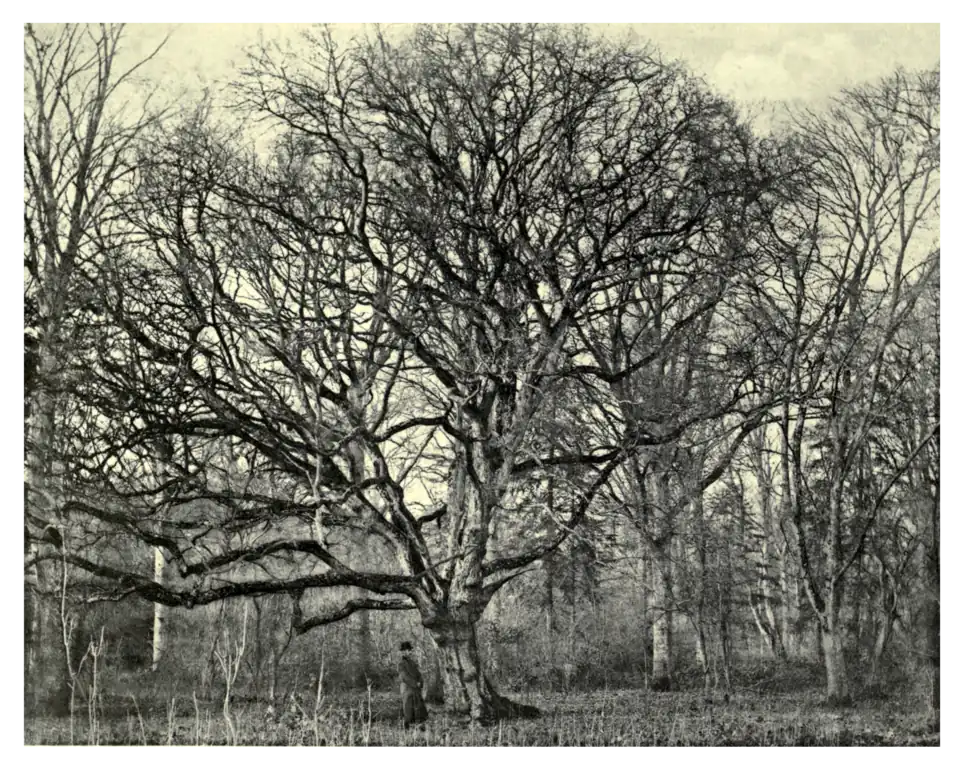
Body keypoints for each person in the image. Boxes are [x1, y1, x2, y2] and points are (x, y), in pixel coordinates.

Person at [398, 640, 429, 728]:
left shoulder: (412, 662)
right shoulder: (401, 664)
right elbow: (404, 676)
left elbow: (418, 674)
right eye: (406, 650)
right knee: (408, 708)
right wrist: (415, 683)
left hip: (416, 688)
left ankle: (419, 727)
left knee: (418, 707)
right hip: (407, 688)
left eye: (409, 650)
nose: (409, 652)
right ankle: (406, 728)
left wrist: (420, 682)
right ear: (402, 652)